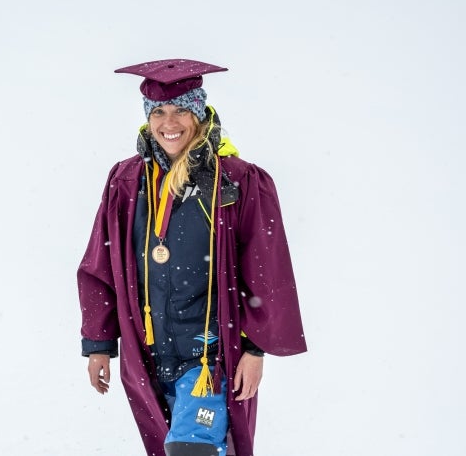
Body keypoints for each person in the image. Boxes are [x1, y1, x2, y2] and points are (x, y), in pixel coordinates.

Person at [77, 59, 306, 456]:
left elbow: (265, 268)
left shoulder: (234, 180)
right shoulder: (127, 181)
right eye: (159, 111)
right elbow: (100, 264)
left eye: (182, 109)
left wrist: (254, 351)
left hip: (210, 356)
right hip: (148, 351)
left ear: (199, 113)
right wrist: (99, 342)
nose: (171, 122)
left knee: (191, 448)